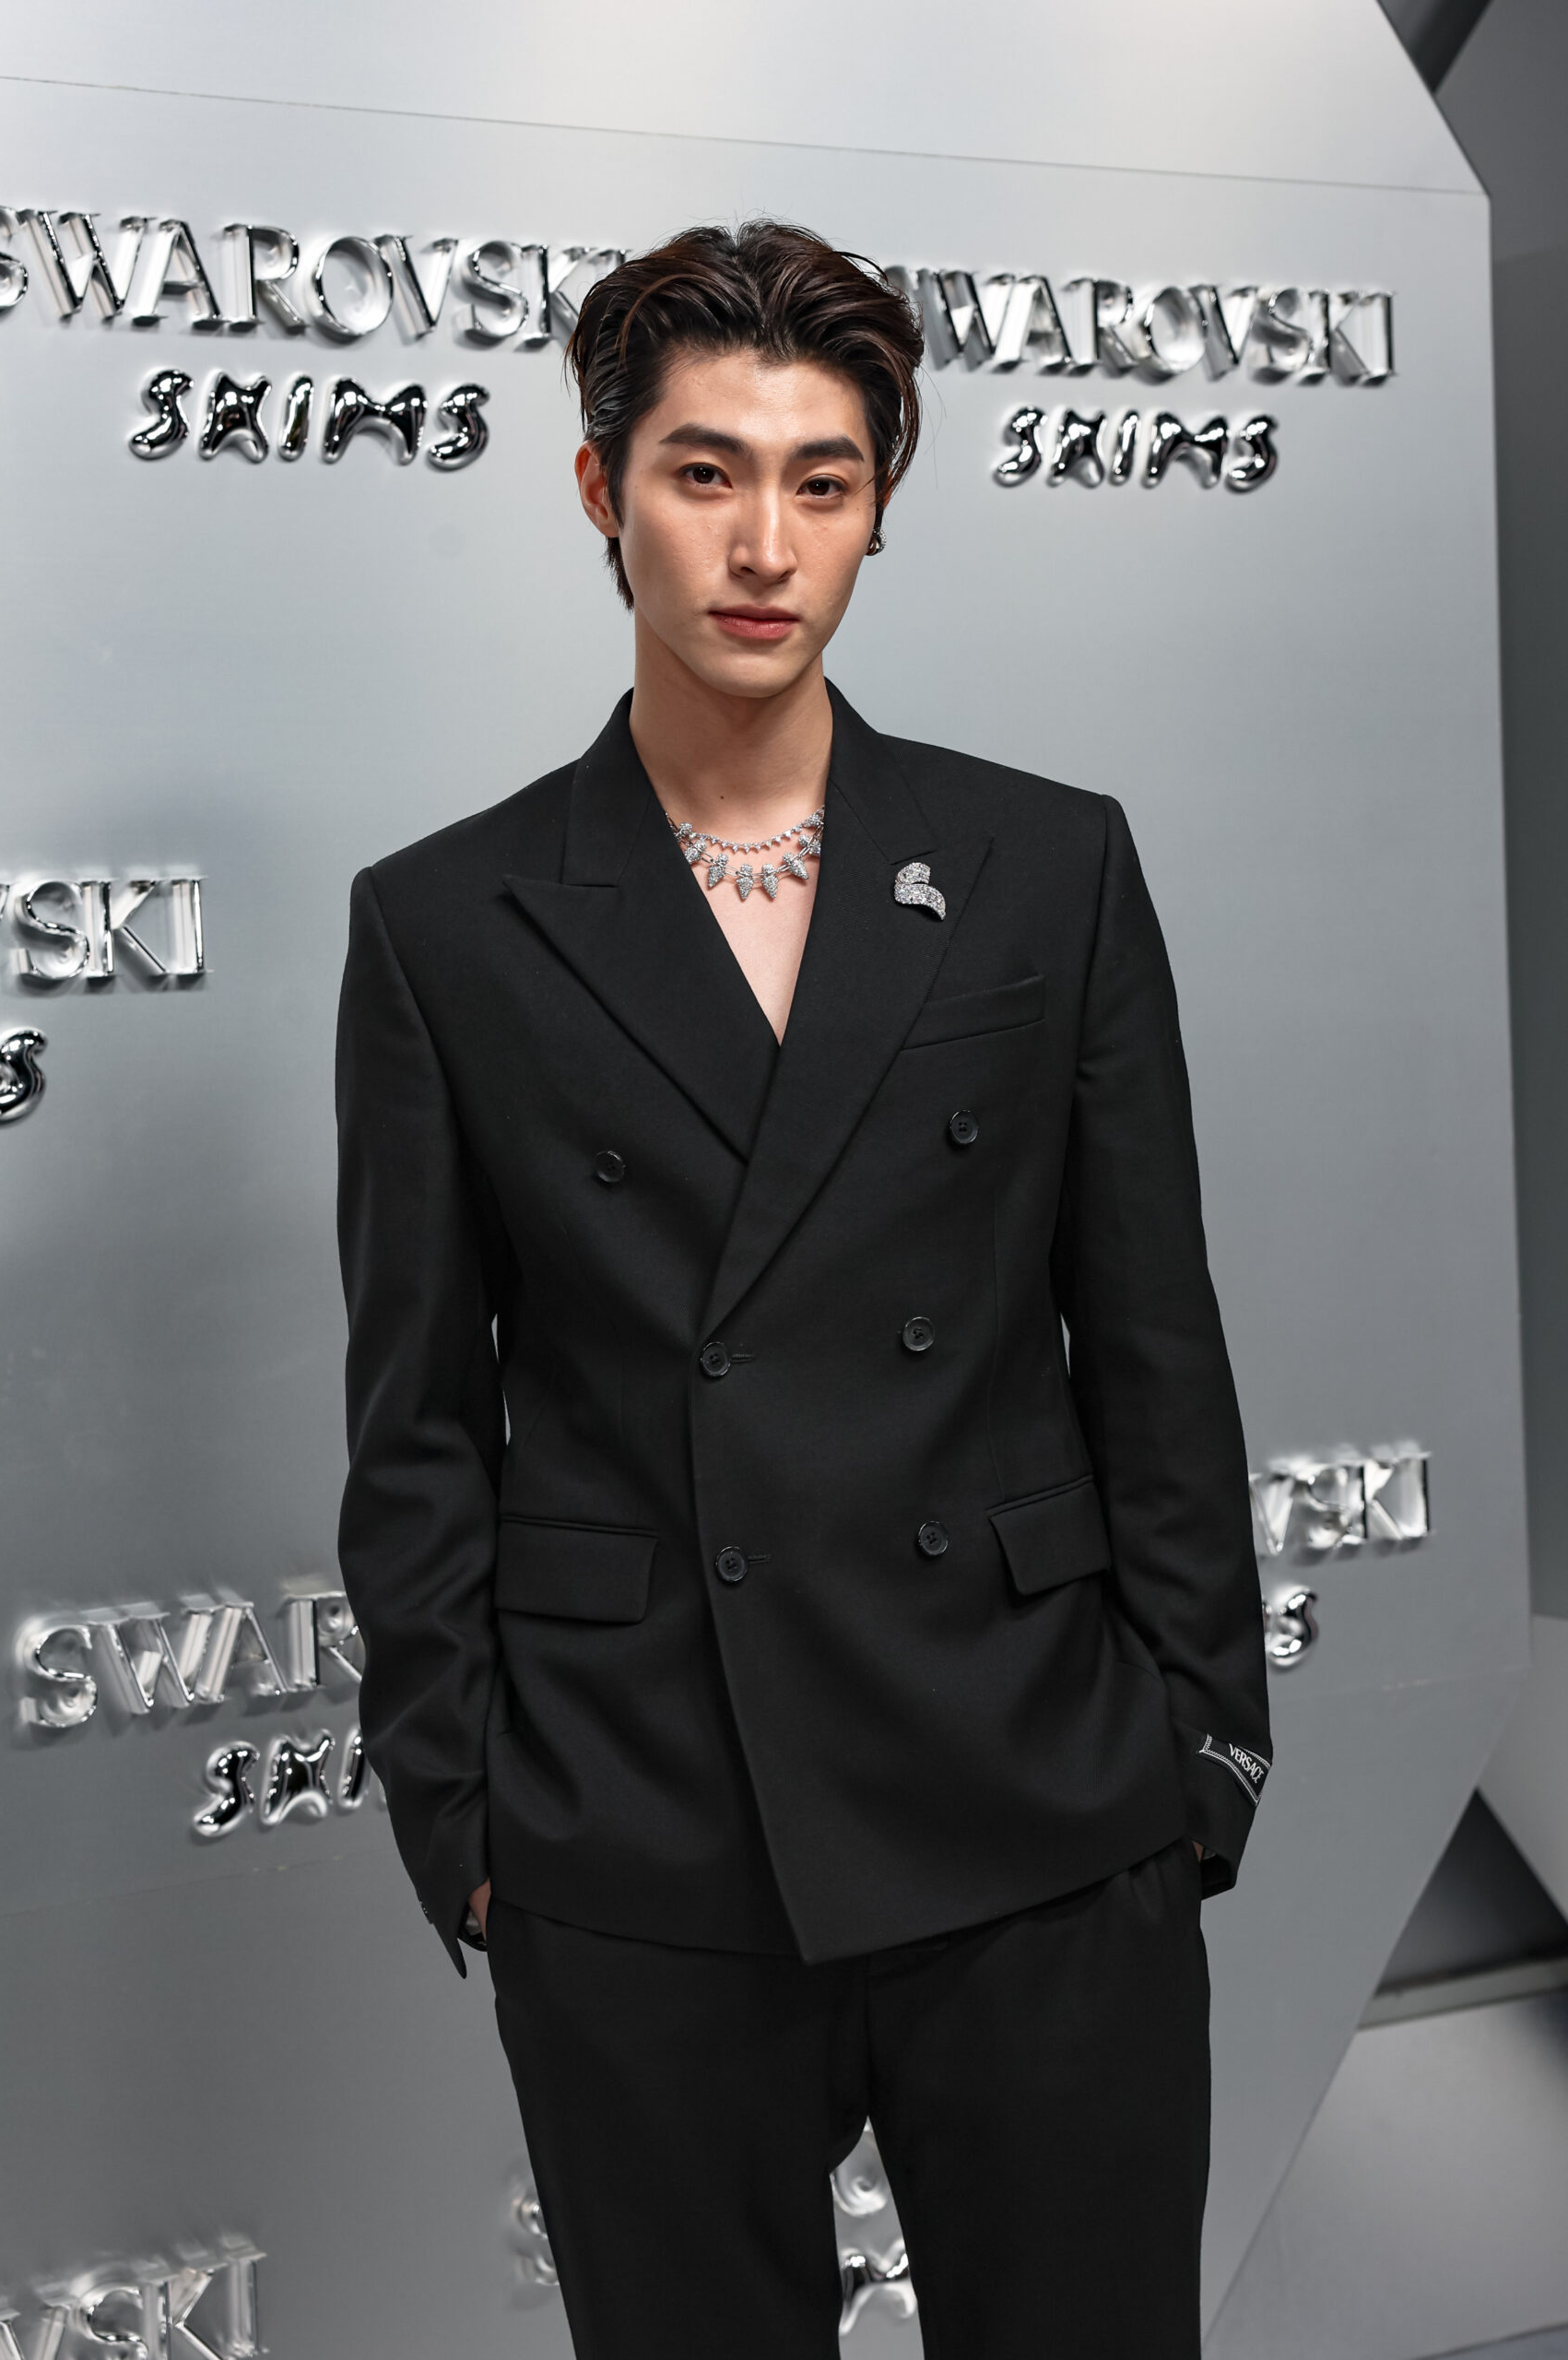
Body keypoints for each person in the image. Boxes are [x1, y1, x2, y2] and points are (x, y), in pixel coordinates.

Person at [335, 219, 1271, 2359]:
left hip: (1038, 1798)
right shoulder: (448, 920)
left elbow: (1152, 1336)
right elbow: (417, 1416)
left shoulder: (1045, 862)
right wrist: (467, 1814)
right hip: (640, 1825)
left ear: (874, 505)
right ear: (601, 488)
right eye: (704, 471)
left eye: (821, 481)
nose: (763, 543)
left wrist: (1195, 1745)